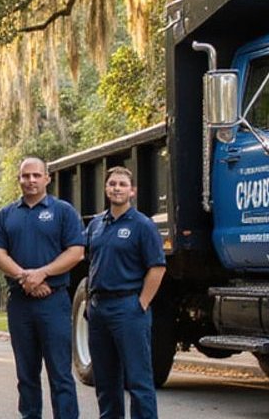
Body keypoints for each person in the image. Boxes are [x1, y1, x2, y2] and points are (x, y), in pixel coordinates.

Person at [0, 157, 85, 419]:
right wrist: (26, 279)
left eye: (36, 175)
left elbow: (76, 252)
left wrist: (42, 274)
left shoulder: (63, 211)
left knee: (60, 374)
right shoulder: (7, 215)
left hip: (54, 303)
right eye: (25, 176)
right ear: (19, 179)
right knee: (26, 374)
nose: (30, 180)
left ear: (47, 178)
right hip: (20, 304)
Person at [84, 166, 167, 419]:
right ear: (106, 189)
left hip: (128, 309)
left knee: (138, 380)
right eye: (112, 184)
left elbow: (157, 267)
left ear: (132, 191)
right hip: (98, 310)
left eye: (122, 184)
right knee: (106, 381)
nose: (116, 188)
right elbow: (87, 260)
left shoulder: (143, 225)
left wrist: (141, 304)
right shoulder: (97, 224)